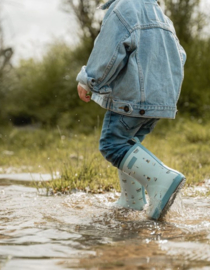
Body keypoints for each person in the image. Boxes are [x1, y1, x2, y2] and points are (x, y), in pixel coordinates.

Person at [76, 0, 187, 221]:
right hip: (159, 99)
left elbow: (110, 50)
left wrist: (89, 80)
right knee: (129, 143)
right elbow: (180, 56)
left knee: (112, 144)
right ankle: (132, 200)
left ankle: (162, 180)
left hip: (132, 98)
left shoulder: (124, 8)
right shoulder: (161, 16)